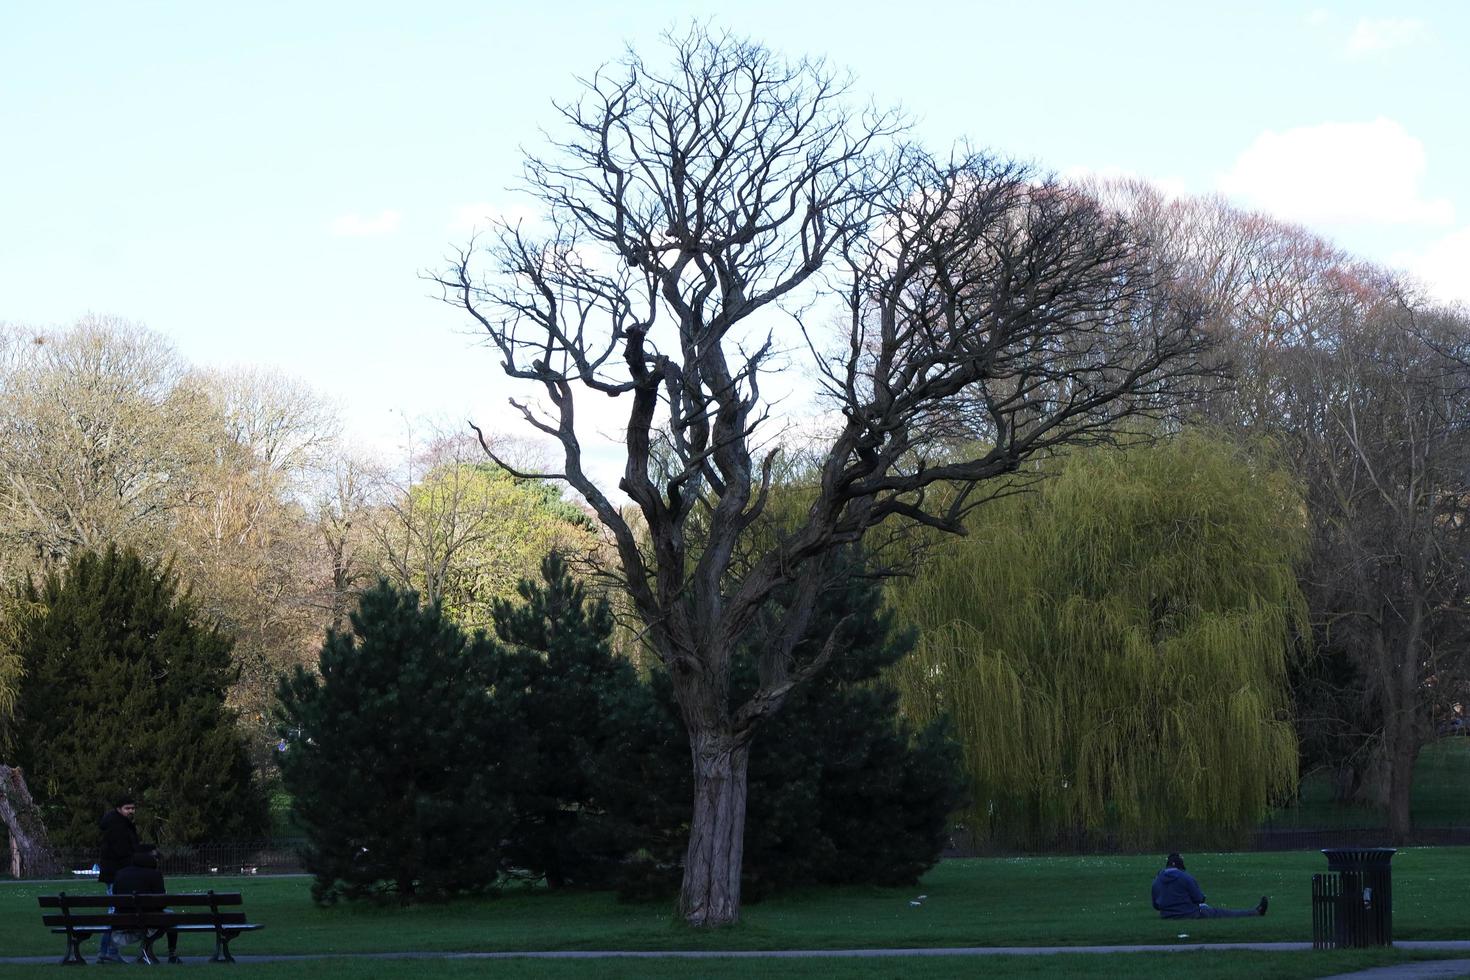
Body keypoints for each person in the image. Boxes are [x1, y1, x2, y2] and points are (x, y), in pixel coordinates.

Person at [1151, 852, 1268, 919]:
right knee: (1221, 913)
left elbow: (1156, 905)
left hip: (1166, 916)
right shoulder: (1185, 877)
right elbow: (1199, 898)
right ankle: (1255, 912)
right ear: (1180, 866)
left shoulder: (1156, 880)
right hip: (1189, 914)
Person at [112, 848, 179, 964]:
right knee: (171, 917)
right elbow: (162, 902)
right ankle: (171, 954)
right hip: (149, 921)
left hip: (122, 920)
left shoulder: (121, 873)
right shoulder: (154, 875)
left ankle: (146, 951)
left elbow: (115, 897)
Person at [97, 796, 140, 963]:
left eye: (132, 808)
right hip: (118, 874)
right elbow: (123, 851)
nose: (131, 811)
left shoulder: (116, 823)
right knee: (115, 912)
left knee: (115, 911)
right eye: (127, 808)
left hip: (115, 873)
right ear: (119, 809)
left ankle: (109, 951)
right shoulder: (118, 825)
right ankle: (108, 951)